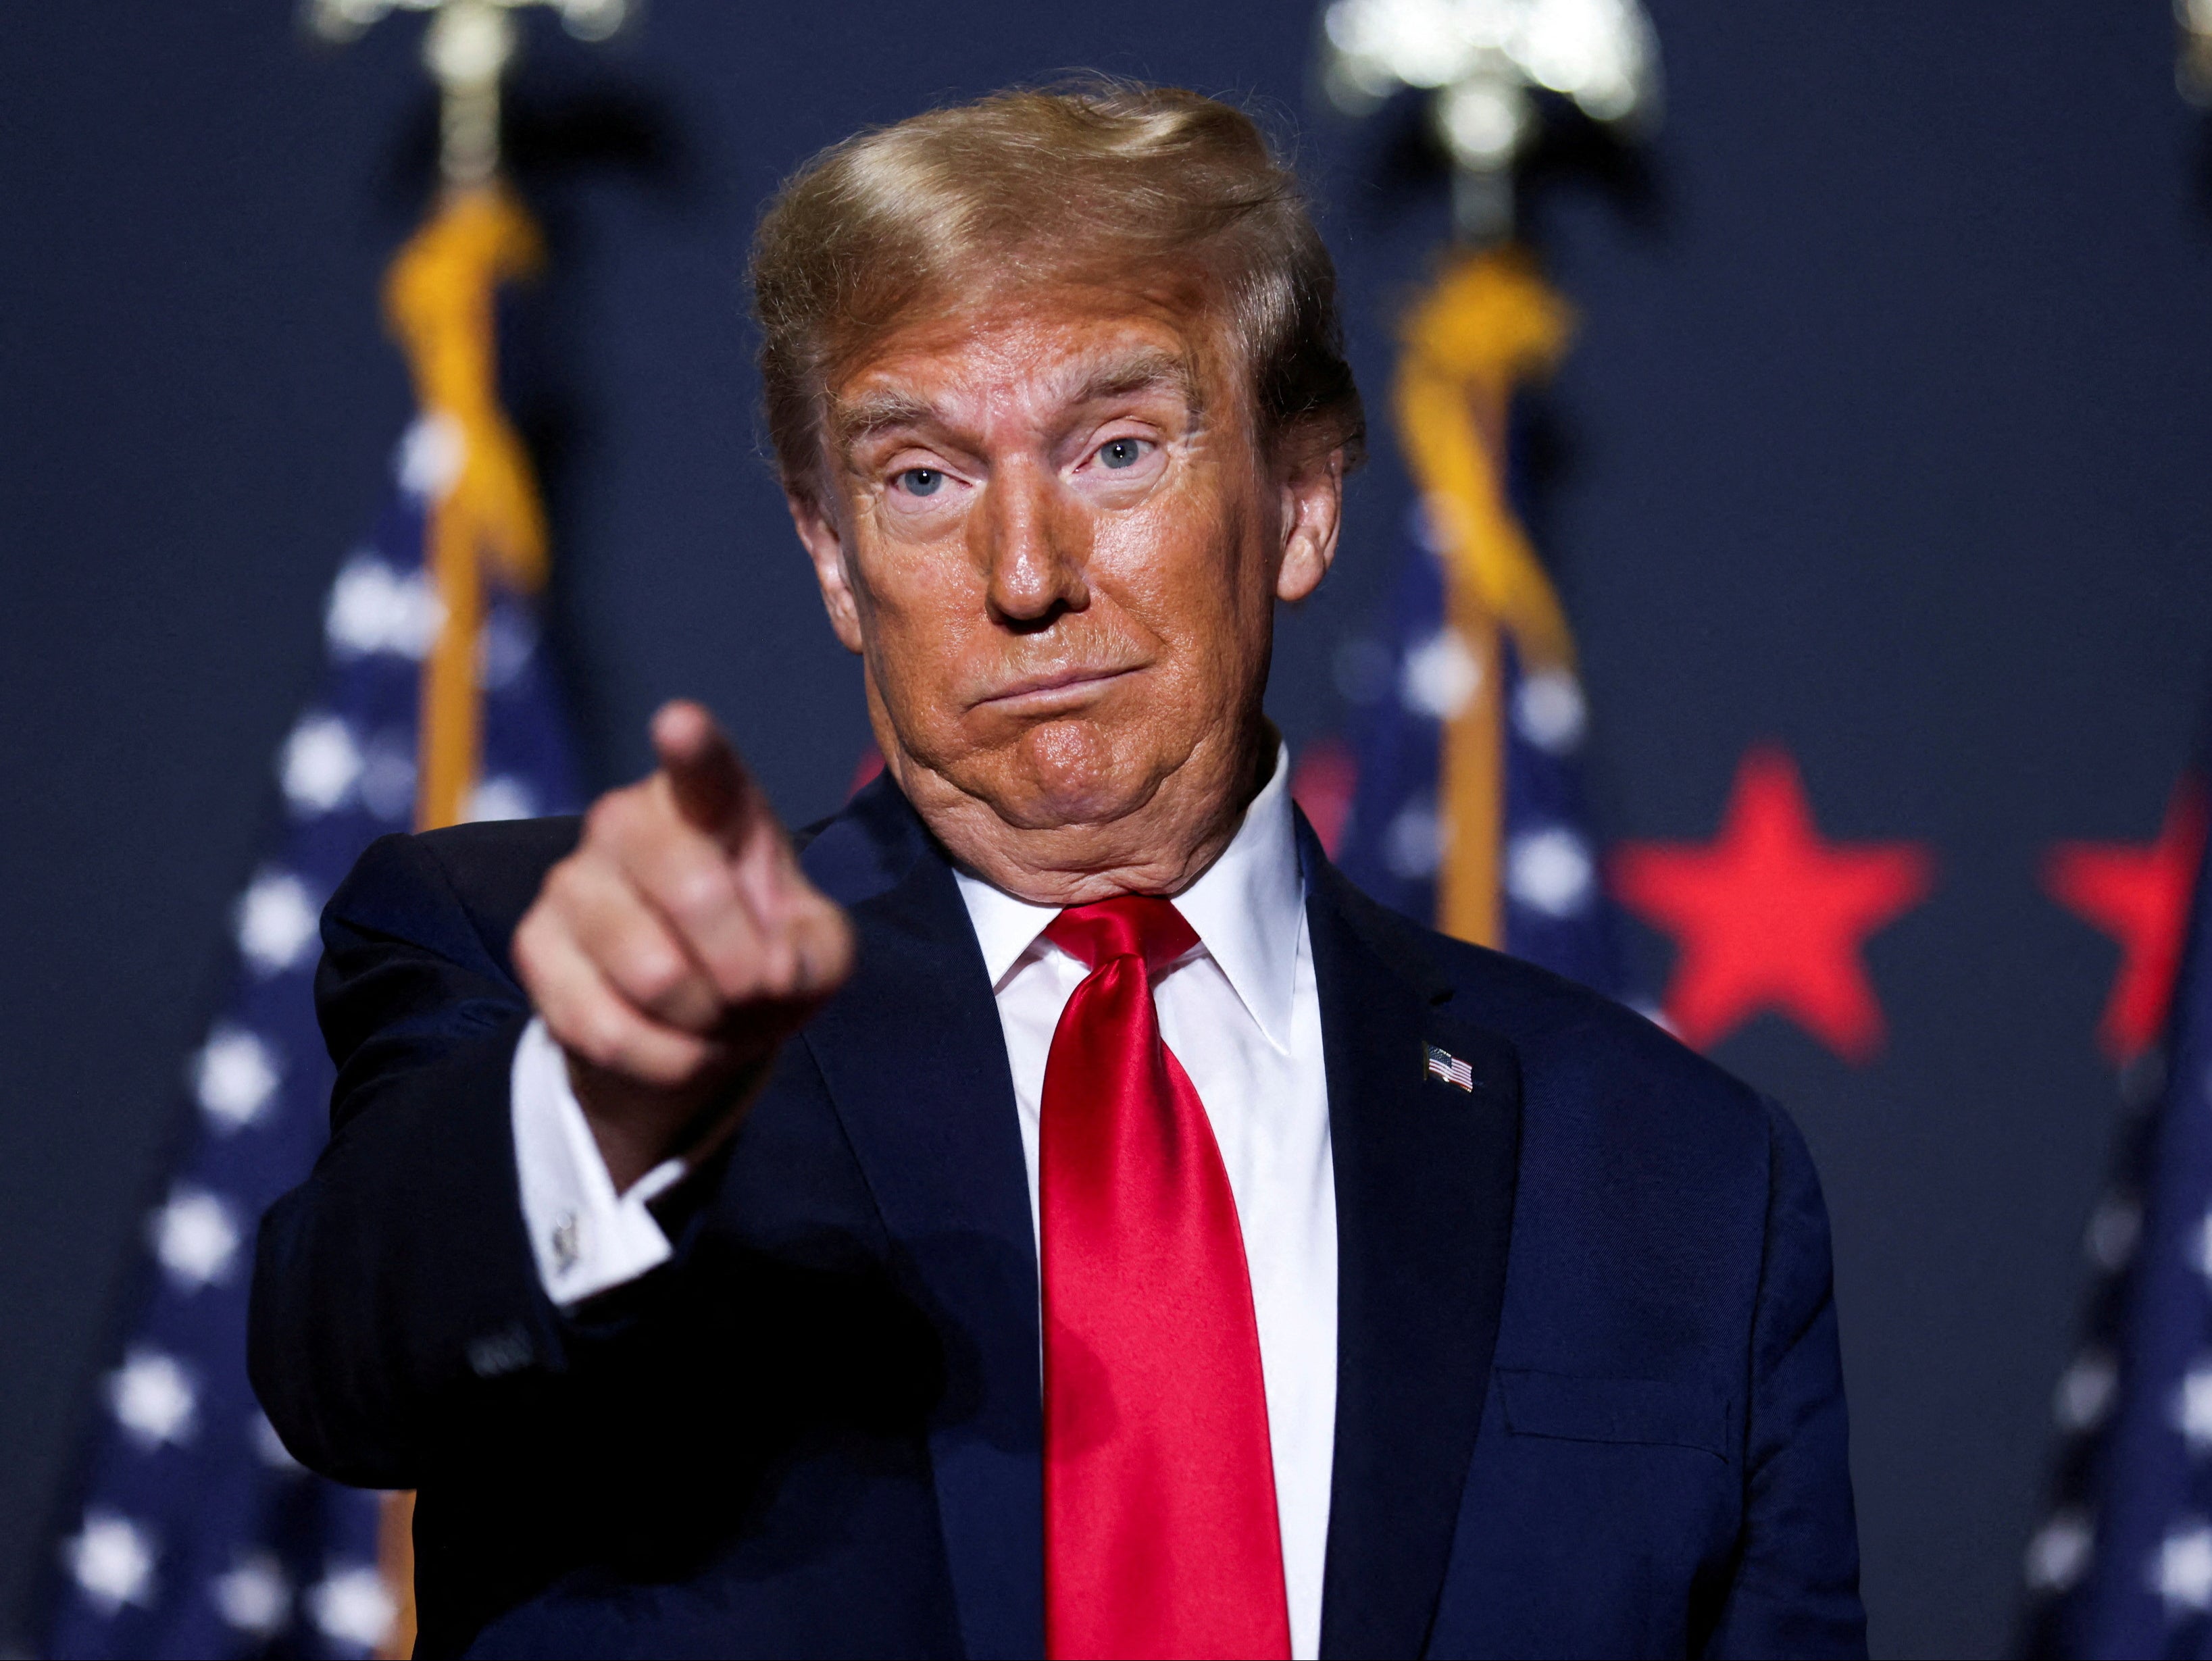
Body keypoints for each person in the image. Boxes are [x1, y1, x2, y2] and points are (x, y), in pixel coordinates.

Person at [250, 80, 1865, 1661]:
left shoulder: (1675, 1176)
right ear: (831, 555)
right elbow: (340, 1364)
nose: (1024, 574)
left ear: (1302, 500)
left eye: (1116, 450)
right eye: (921, 477)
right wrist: (605, 1102)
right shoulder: (544, 975)